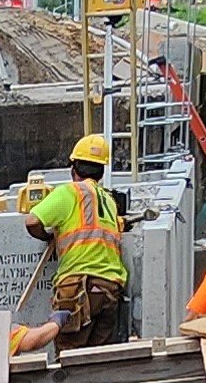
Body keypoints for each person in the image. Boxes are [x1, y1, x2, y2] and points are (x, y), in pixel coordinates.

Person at [14, 136, 129, 350]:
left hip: (78, 287)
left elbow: (32, 221)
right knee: (96, 362)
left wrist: (48, 236)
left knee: (69, 360)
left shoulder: (69, 192)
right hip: (110, 289)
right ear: (101, 173)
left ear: (73, 167)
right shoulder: (109, 201)